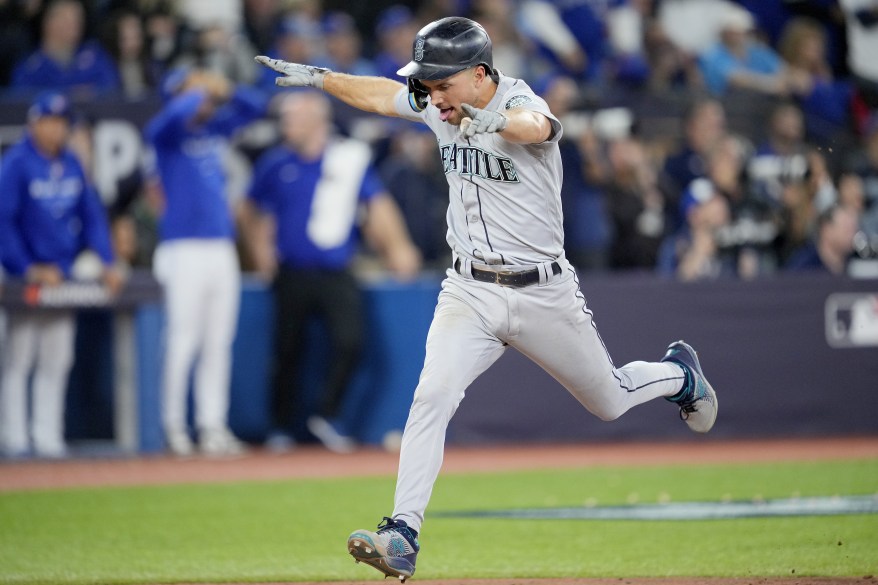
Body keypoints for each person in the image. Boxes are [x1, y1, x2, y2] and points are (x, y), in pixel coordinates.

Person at [257, 16, 719, 581]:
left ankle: (679, 375)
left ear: (479, 74)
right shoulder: (441, 101)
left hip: (543, 292)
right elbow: (382, 95)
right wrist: (323, 78)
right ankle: (402, 534)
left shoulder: (522, 102)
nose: (431, 95)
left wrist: (493, 118)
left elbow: (537, 127)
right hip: (469, 290)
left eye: (441, 84)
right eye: (426, 84)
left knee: (610, 399)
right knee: (432, 395)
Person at [241, 91, 421, 453]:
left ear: (315, 121)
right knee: (287, 351)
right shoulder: (276, 163)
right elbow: (249, 209)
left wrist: (399, 246)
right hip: (291, 271)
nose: (285, 125)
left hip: (336, 269)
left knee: (350, 341)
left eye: (292, 118)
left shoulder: (346, 160)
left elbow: (378, 204)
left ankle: (327, 414)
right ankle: (280, 427)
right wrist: (259, 253)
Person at [145, 68, 265, 457]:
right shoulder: (168, 134)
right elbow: (168, 119)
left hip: (219, 247)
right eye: (191, 92)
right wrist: (196, 90)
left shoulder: (213, 131)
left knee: (218, 342)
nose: (204, 99)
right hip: (183, 248)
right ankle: (174, 426)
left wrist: (226, 87)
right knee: (183, 340)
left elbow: (255, 106)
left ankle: (212, 426)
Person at [0, 91, 122, 459]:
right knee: (20, 357)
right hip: (24, 275)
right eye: (49, 121)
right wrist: (26, 268)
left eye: (61, 123)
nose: (55, 129)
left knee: (57, 357)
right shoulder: (17, 162)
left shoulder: (71, 163)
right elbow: (4, 223)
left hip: (62, 273)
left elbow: (92, 216)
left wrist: (107, 259)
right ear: (34, 123)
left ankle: (48, 437)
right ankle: (16, 438)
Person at [11, 0, 120, 95]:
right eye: (68, 20)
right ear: (49, 23)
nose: (76, 26)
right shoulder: (31, 68)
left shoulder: (95, 56)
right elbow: (22, 103)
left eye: (78, 20)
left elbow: (111, 90)